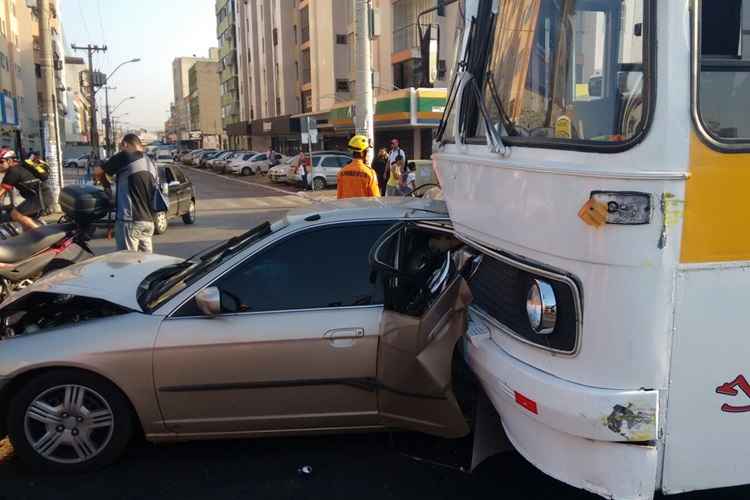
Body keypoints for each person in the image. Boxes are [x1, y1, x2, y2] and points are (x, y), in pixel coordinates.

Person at [94, 133, 159, 253]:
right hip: (148, 222)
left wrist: (106, 186)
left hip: (129, 221)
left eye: (121, 147)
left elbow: (98, 172)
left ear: (125, 144)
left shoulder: (125, 156)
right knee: (147, 263)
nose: (120, 150)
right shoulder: (151, 163)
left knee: (127, 263)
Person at [0, 149, 43, 230]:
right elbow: (6, 191)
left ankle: (44, 234)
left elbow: (1, 192)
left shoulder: (13, 171)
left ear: (9, 161)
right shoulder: (18, 167)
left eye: (1, 162)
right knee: (25, 225)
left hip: (39, 199)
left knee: (15, 214)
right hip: (39, 198)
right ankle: (31, 240)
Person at [336, 135, 380, 199]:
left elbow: (339, 196)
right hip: (363, 208)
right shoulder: (370, 173)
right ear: (363, 153)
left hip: (346, 208)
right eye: (367, 151)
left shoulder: (341, 172)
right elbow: (376, 199)